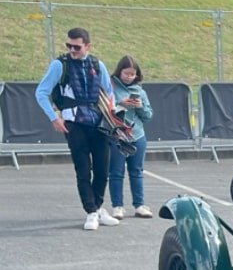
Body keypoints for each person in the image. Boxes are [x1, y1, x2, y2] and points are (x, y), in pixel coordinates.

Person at [35, 27, 119, 231]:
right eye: (68, 45)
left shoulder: (98, 65)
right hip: (74, 123)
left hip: (98, 122)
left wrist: (113, 117)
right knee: (83, 170)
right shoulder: (59, 65)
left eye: (77, 46)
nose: (72, 49)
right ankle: (90, 211)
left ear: (87, 46)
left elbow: (109, 93)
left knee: (102, 169)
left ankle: (98, 207)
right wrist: (54, 117)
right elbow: (41, 92)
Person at [107, 55, 153, 219]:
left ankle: (139, 205)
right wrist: (121, 105)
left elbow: (148, 116)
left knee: (137, 171)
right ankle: (117, 206)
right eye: (126, 73)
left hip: (137, 135)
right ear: (119, 72)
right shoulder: (110, 87)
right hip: (117, 135)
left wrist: (139, 106)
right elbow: (106, 111)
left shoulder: (140, 91)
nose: (129, 77)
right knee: (116, 172)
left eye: (132, 74)